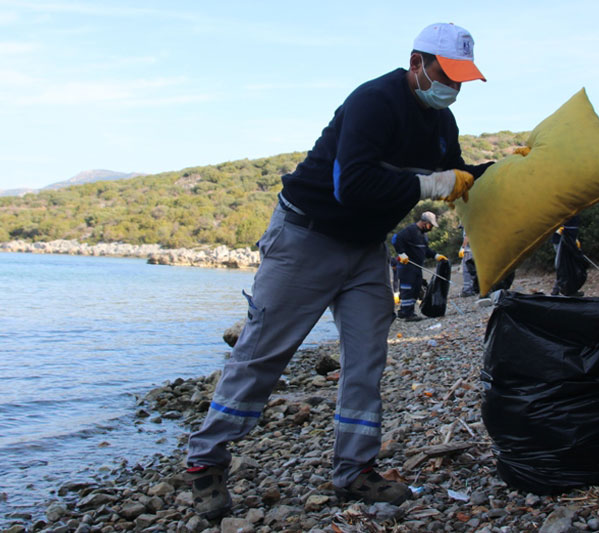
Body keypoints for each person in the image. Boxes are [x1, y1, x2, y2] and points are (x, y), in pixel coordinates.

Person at [184, 22, 492, 520]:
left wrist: (501, 171)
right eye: (446, 74)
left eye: (462, 79)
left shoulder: (441, 124)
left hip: (365, 248)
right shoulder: (375, 100)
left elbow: (457, 176)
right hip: (306, 236)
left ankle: (355, 469)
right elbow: (353, 184)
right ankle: (206, 464)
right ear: (417, 63)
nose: (453, 87)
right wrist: (429, 185)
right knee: (263, 353)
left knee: (367, 358)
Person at [392, 211, 448, 320]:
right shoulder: (411, 230)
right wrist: (401, 253)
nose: (431, 228)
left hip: (417, 267)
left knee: (416, 288)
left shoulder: (423, 235)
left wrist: (436, 255)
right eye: (430, 225)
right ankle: (408, 314)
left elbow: (425, 249)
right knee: (408, 289)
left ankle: (404, 311)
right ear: (424, 223)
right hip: (407, 266)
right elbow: (396, 239)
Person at [551, 215, 586, 296]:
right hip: (562, 240)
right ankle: (559, 290)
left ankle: (568, 290)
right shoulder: (566, 209)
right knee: (563, 265)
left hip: (569, 240)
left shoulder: (574, 211)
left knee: (569, 265)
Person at [459, 229, 478, 297]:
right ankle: (476, 289)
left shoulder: (467, 223)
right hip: (476, 250)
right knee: (475, 271)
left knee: (467, 271)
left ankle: (467, 290)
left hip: (468, 252)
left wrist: (463, 248)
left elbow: (467, 237)